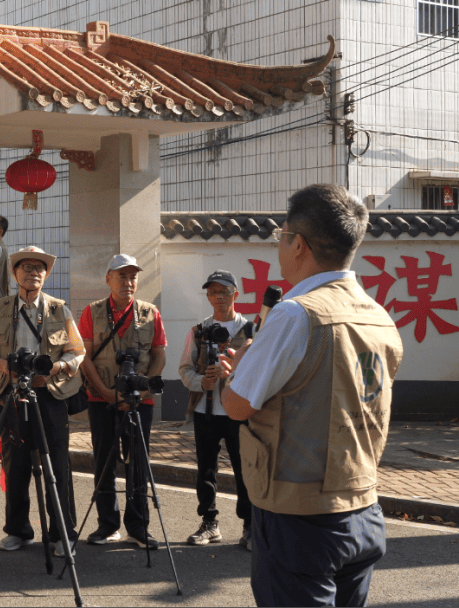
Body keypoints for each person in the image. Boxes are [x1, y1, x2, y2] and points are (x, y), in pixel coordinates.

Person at [219, 184, 403, 607]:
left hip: (298, 514)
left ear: (297, 244)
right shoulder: (379, 317)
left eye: (280, 237)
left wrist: (245, 363)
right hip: (363, 504)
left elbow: (236, 405)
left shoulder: (295, 314)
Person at [0, 246, 85, 558]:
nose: (33, 272)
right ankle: (18, 531)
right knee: (16, 465)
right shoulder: (1, 309)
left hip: (49, 396)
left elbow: (76, 352)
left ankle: (63, 533)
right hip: (12, 393)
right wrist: (4, 367)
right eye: (26, 267)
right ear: (15, 273)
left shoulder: (58, 310)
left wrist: (55, 369)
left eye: (39, 268)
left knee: (56, 467)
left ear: (46, 274)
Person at [79, 253, 167, 550]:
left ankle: (139, 527)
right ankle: (107, 525)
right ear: (108, 279)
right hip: (100, 398)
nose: (129, 282)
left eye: (133, 277)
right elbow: (85, 357)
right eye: (122, 276)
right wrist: (105, 391)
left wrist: (140, 394)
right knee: (104, 461)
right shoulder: (91, 312)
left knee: (138, 463)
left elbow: (159, 355)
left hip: (139, 402)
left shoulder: (150, 312)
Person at [177, 270, 252, 548]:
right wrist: (202, 381)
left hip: (240, 412)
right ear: (208, 297)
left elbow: (263, 371)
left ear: (236, 294)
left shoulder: (252, 331)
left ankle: (250, 525)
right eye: (212, 292)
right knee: (205, 470)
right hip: (205, 412)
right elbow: (184, 369)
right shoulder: (198, 331)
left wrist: (235, 374)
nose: (218, 297)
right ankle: (209, 523)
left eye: (223, 291)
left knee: (245, 469)